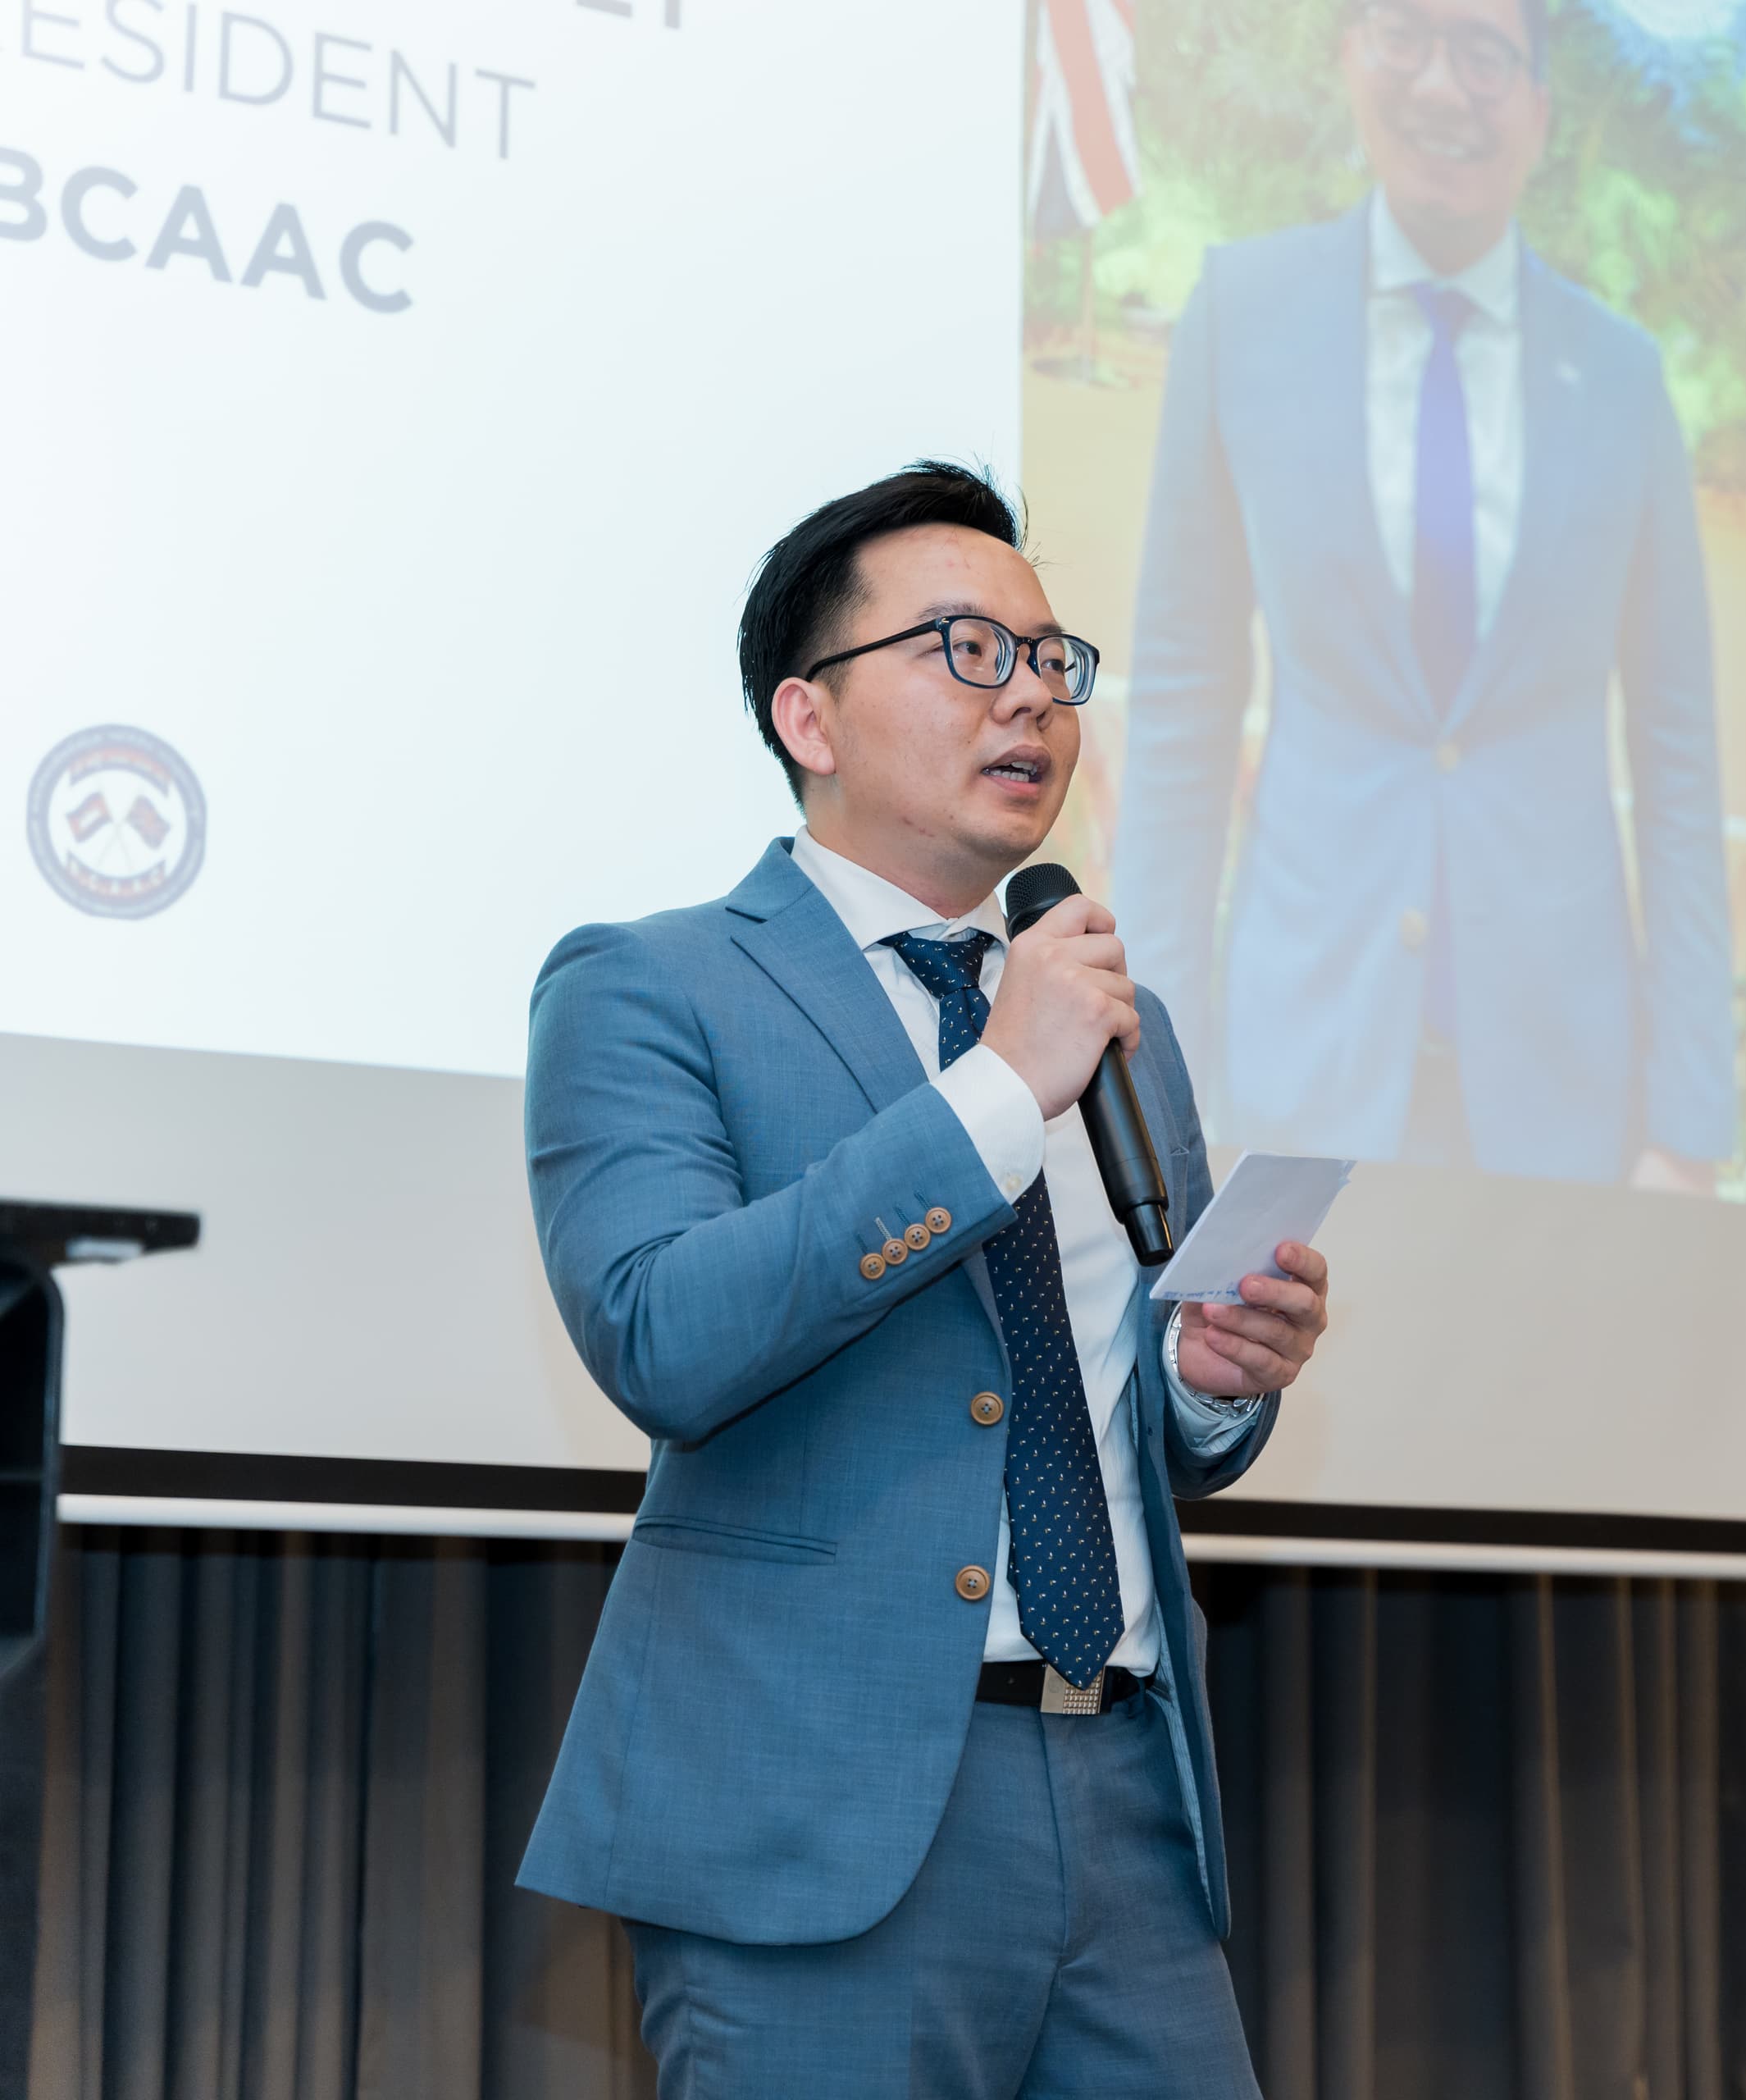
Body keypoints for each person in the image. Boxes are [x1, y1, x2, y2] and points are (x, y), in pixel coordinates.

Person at [518, 462, 1321, 2096]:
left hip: (1129, 1795)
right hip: (817, 1811)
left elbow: (1108, 1407)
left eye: (1050, 658)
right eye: (967, 649)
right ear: (807, 716)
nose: (1030, 695)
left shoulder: (1117, 1019)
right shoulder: (651, 985)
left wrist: (1208, 1381)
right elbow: (661, 1332)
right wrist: (995, 1092)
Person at [1114, 0, 1736, 1189]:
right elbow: (1185, 707)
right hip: (1302, 1063)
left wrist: (1689, 1125)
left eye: (1488, 54)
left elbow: (1678, 758)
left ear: (1540, 111)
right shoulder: (1240, 317)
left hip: (1563, 1094)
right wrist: (1154, 1083)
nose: (1444, 85)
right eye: (1408, 35)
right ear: (1353, 57)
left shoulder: (1623, 377)